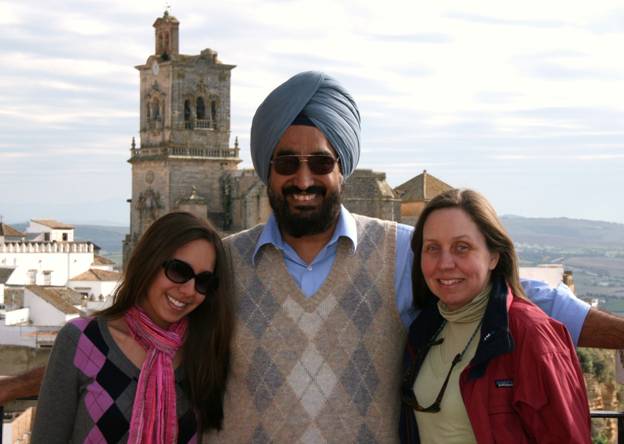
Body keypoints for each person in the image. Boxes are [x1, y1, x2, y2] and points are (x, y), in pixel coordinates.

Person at [205, 70, 604, 443]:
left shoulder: (397, 252)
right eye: (288, 163)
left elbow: (511, 293)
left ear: (342, 169)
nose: (304, 180)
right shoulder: (223, 262)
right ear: (268, 171)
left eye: (321, 163)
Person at [399, 189, 591, 443]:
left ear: (493, 256)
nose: (444, 263)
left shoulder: (531, 335)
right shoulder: (423, 331)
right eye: (432, 248)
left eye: (462, 247)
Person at [31, 212, 233, 443]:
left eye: (203, 281)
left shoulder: (203, 352)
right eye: (179, 271)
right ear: (149, 262)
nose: (189, 290)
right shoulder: (82, 340)